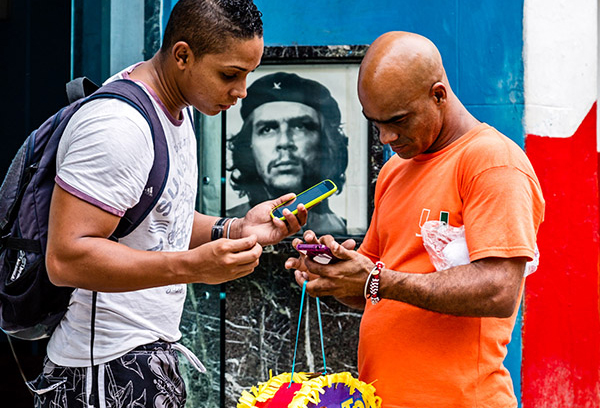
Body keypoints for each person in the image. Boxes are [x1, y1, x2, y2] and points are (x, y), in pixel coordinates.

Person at [29, 1, 308, 407]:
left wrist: (236, 229)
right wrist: (194, 267)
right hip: (100, 372)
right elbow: (66, 258)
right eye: (230, 74)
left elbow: (161, 220)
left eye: (249, 75)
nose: (241, 91)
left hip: (145, 357)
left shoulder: (178, 110)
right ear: (182, 55)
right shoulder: (118, 127)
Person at [287, 31, 545, 408]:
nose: (386, 136)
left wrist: (378, 280)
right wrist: (336, 274)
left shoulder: (492, 162)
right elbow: (375, 291)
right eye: (374, 123)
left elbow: (498, 288)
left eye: (397, 120)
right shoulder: (394, 170)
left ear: (438, 95)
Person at [227, 71, 349, 235]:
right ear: (248, 145)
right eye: (268, 129)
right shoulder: (226, 227)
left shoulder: (342, 230)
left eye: (300, 126)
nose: (284, 142)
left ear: (326, 142)